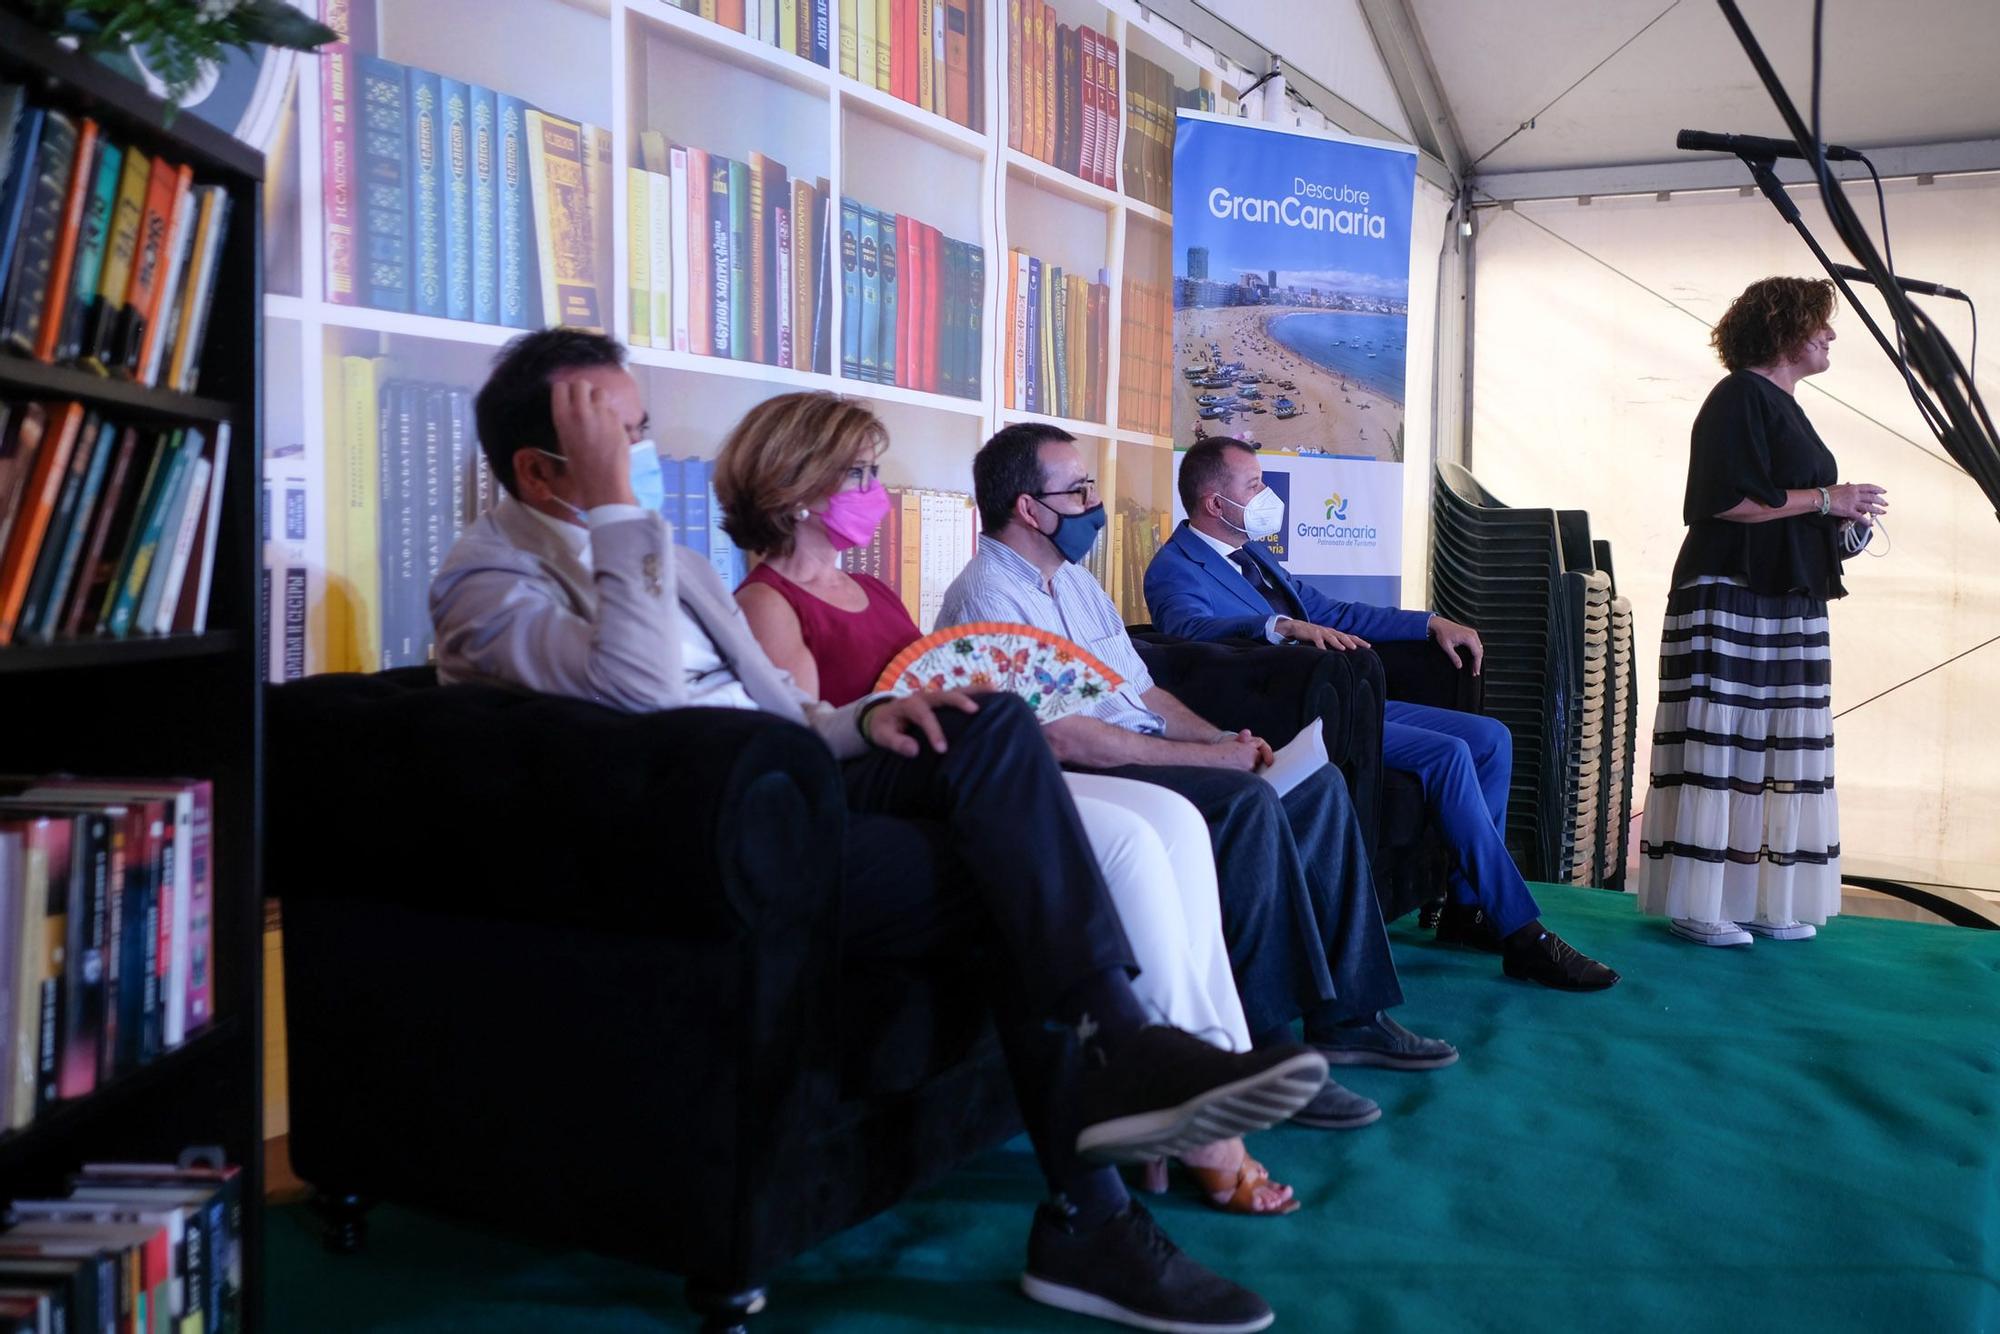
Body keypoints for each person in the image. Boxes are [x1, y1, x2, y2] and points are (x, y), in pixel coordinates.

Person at [430, 330, 1329, 1332]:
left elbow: (775, 705)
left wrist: (867, 717)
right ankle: (1095, 1191)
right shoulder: (488, 581)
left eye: (635, 430)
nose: (637, 449)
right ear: (538, 467)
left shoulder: (662, 561)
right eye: (616, 433)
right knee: (1015, 873)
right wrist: (615, 509)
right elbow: (643, 696)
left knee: (987, 722)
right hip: (711, 839)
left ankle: (1126, 1055)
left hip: (793, 783)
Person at [712, 391, 1294, 1217]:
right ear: (798, 485)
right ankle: (1184, 1108)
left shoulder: (875, 592)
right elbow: (803, 749)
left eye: (876, 471)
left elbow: (928, 681)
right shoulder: (766, 604)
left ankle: (1211, 1059)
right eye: (860, 473)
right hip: (915, 799)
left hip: (969, 774)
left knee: (1170, 822)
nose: (876, 491)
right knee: (1128, 843)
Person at [939, 421, 1460, 1134]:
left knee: (1315, 784)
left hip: (1136, 745)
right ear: (1030, 509)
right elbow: (1065, 736)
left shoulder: (1079, 587)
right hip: (1089, 773)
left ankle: (1350, 1018)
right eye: (1080, 490)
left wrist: (1219, 736)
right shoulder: (987, 599)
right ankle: (1270, 1054)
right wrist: (1211, 761)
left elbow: (1145, 693)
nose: (1094, 503)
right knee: (1245, 802)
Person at [1145, 437, 1618, 992]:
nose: (1267, 495)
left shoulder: (1254, 554)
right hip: (1290, 715)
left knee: (1490, 737)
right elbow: (1187, 636)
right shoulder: (1175, 568)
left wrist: (1428, 623)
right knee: (1449, 753)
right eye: (1254, 486)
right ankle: (1523, 933)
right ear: (1212, 502)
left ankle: (1468, 912)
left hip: (1347, 698)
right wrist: (1278, 627)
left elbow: (1329, 610)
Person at [1636, 277, 1885, 946]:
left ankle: (1753, 899)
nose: (1830, 335)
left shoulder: (1784, 404)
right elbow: (1724, 501)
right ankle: (1700, 903)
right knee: (1725, 746)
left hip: (1783, 597)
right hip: (1732, 592)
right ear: (1784, 330)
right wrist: (1827, 500)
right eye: (1819, 324)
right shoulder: (1740, 396)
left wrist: (1840, 520)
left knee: (1773, 746)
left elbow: (1789, 503)